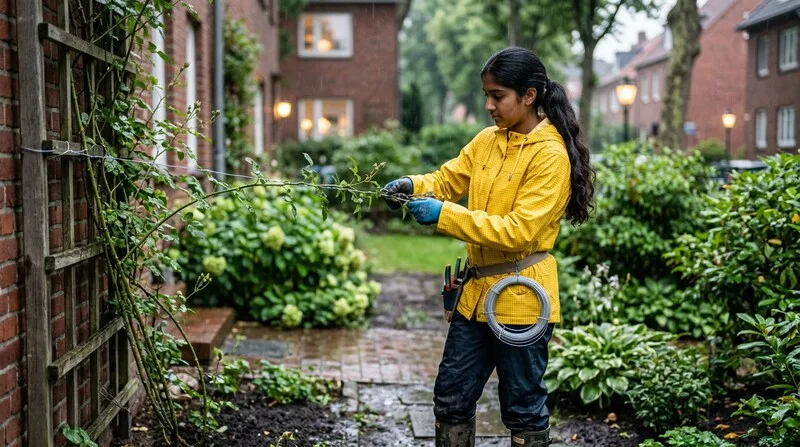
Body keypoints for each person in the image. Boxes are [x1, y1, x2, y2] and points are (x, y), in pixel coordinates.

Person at [382, 47, 594, 447]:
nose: (488, 105)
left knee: (523, 406)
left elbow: (518, 232)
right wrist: (413, 185)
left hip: (522, 298)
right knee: (451, 397)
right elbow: (447, 179)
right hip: (474, 295)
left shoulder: (550, 155)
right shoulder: (487, 141)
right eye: (487, 95)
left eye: (498, 96)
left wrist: (445, 216)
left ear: (529, 95)